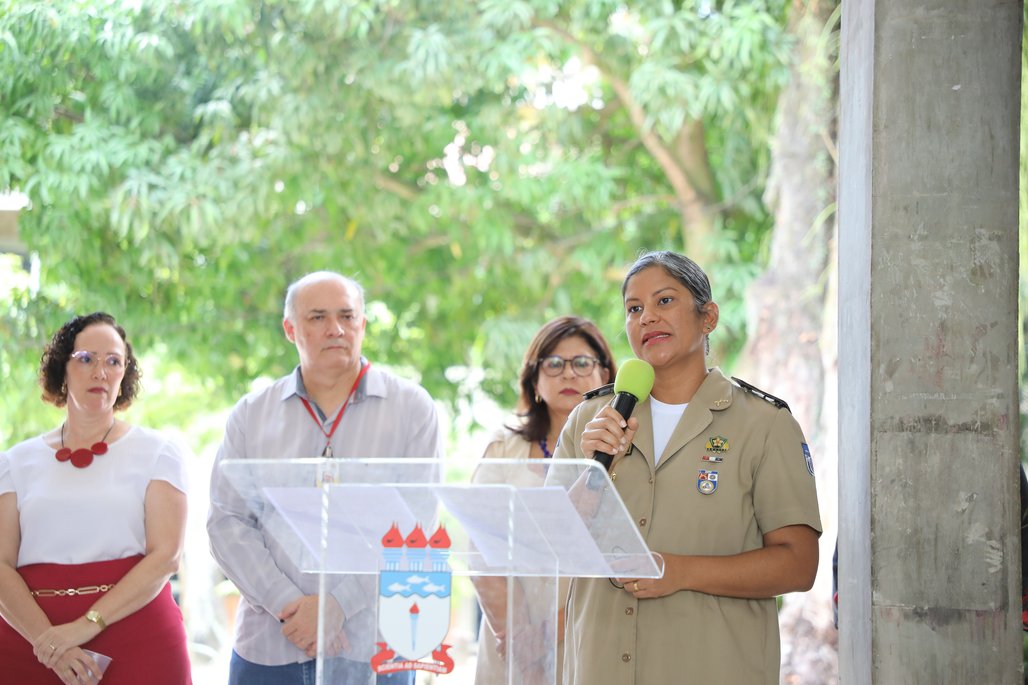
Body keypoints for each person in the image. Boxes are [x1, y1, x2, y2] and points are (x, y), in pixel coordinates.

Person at [553, 251, 822, 685]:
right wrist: (592, 472)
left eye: (664, 301)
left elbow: (798, 564)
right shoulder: (590, 421)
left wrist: (681, 571)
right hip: (599, 668)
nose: (646, 319)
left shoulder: (765, 424)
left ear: (708, 317)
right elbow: (552, 543)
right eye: (634, 309)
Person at [207, 271, 443, 685]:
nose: (335, 329)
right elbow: (226, 522)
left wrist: (337, 606)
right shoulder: (252, 413)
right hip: (271, 642)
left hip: (373, 647)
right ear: (290, 328)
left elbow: (415, 524)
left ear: (363, 325)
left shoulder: (411, 408)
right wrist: (290, 605)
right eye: (317, 317)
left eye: (347, 316)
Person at [0, 312, 192, 685]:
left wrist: (82, 628)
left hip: (139, 641)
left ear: (125, 375)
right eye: (86, 359)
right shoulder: (14, 462)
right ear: (62, 368)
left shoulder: (159, 451)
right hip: (29, 645)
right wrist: (48, 641)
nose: (100, 371)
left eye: (113, 361)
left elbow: (166, 556)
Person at [472, 316, 617, 685]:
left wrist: (551, 631)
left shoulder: (628, 449)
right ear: (534, 380)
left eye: (582, 363)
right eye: (553, 364)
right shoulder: (504, 446)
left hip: (592, 634)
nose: (568, 374)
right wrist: (520, 634)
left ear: (605, 375)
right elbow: (479, 547)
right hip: (511, 643)